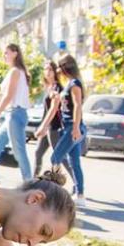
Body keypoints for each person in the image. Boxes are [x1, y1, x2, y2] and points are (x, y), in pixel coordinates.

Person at [41, 54, 86, 200]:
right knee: (74, 163)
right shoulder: (68, 84)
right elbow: (64, 102)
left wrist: (76, 127)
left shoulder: (75, 84)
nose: (58, 70)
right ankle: (80, 195)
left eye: (60, 66)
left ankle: (55, 193)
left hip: (72, 127)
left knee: (55, 158)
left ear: (67, 67)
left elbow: (78, 105)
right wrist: (56, 95)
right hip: (69, 127)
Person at [0, 44, 32, 181]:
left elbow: (8, 96)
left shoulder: (15, 72)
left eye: (6, 53)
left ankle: (29, 182)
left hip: (15, 114)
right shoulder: (16, 71)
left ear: (15, 53)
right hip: (12, 115)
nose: (4, 56)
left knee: (19, 152)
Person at [33, 61, 73, 178]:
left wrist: (43, 126)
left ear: (55, 71)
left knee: (59, 157)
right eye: (45, 69)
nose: (48, 72)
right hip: (48, 127)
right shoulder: (49, 87)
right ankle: (33, 181)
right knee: (38, 153)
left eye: (50, 69)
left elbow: (54, 109)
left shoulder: (58, 88)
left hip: (55, 127)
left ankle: (76, 182)